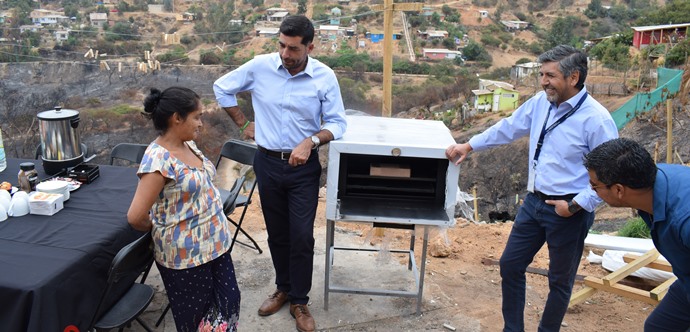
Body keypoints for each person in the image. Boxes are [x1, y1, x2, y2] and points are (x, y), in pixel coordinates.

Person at [445, 44, 618, 331]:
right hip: (534, 203)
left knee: (559, 282)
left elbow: (610, 175)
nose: (543, 81)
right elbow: (508, 127)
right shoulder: (541, 103)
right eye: (541, 74)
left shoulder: (597, 120)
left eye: (550, 75)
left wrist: (574, 205)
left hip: (568, 211)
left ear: (574, 77)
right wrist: (470, 144)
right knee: (511, 265)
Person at [213, 15, 347, 332]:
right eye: (282, 46)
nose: (286, 54)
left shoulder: (324, 77)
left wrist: (311, 140)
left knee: (301, 235)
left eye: (294, 48)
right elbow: (221, 88)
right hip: (267, 163)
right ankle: (283, 288)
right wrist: (244, 124)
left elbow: (338, 123)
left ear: (310, 47)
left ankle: (300, 301)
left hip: (304, 168)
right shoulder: (259, 67)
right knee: (277, 233)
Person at [127, 87, 241, 332]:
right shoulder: (159, 159)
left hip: (216, 245)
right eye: (196, 117)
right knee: (198, 324)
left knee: (228, 306)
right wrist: (163, 231)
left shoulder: (188, 145)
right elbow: (136, 216)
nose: (201, 123)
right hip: (187, 259)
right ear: (176, 118)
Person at [584, 138, 690, 331]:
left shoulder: (683, 219)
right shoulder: (657, 180)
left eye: (594, 186)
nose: (593, 192)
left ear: (618, 190)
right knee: (659, 327)